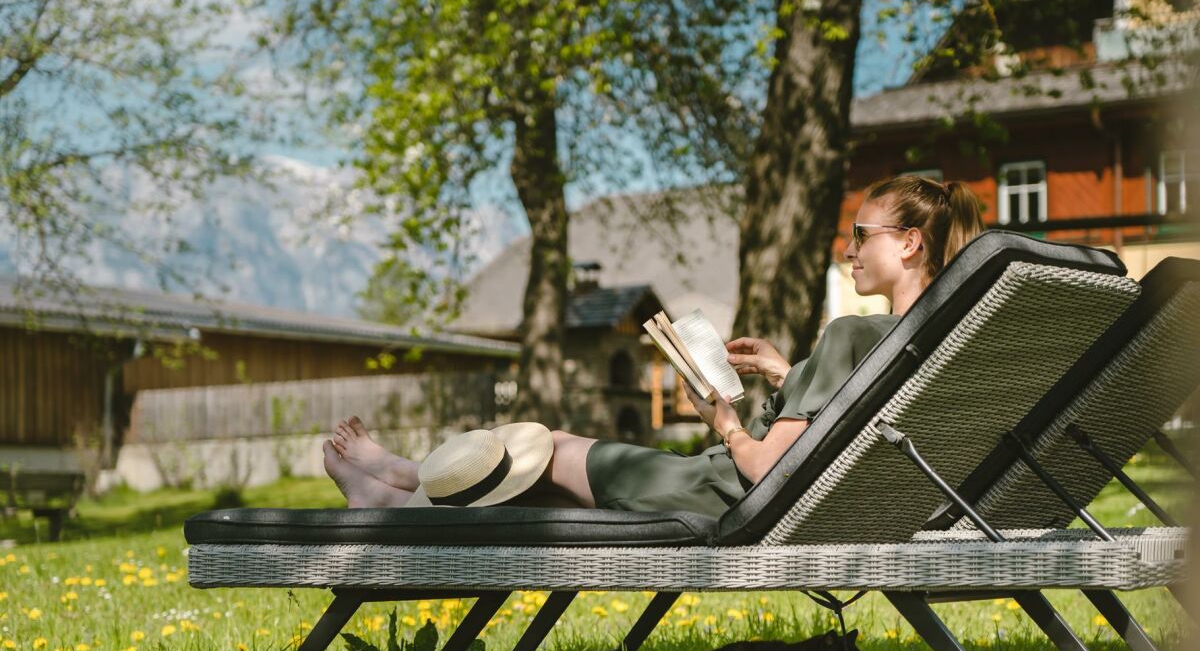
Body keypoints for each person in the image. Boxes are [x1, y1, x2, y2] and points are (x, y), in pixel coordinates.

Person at [322, 175, 986, 517]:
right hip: (815, 505)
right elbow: (842, 427)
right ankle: (401, 488)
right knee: (550, 490)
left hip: (721, 494)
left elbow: (764, 471)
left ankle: (404, 483)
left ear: (908, 242)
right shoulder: (929, 342)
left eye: (862, 234)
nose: (848, 249)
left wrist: (724, 422)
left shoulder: (852, 334)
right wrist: (790, 374)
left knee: (544, 446)